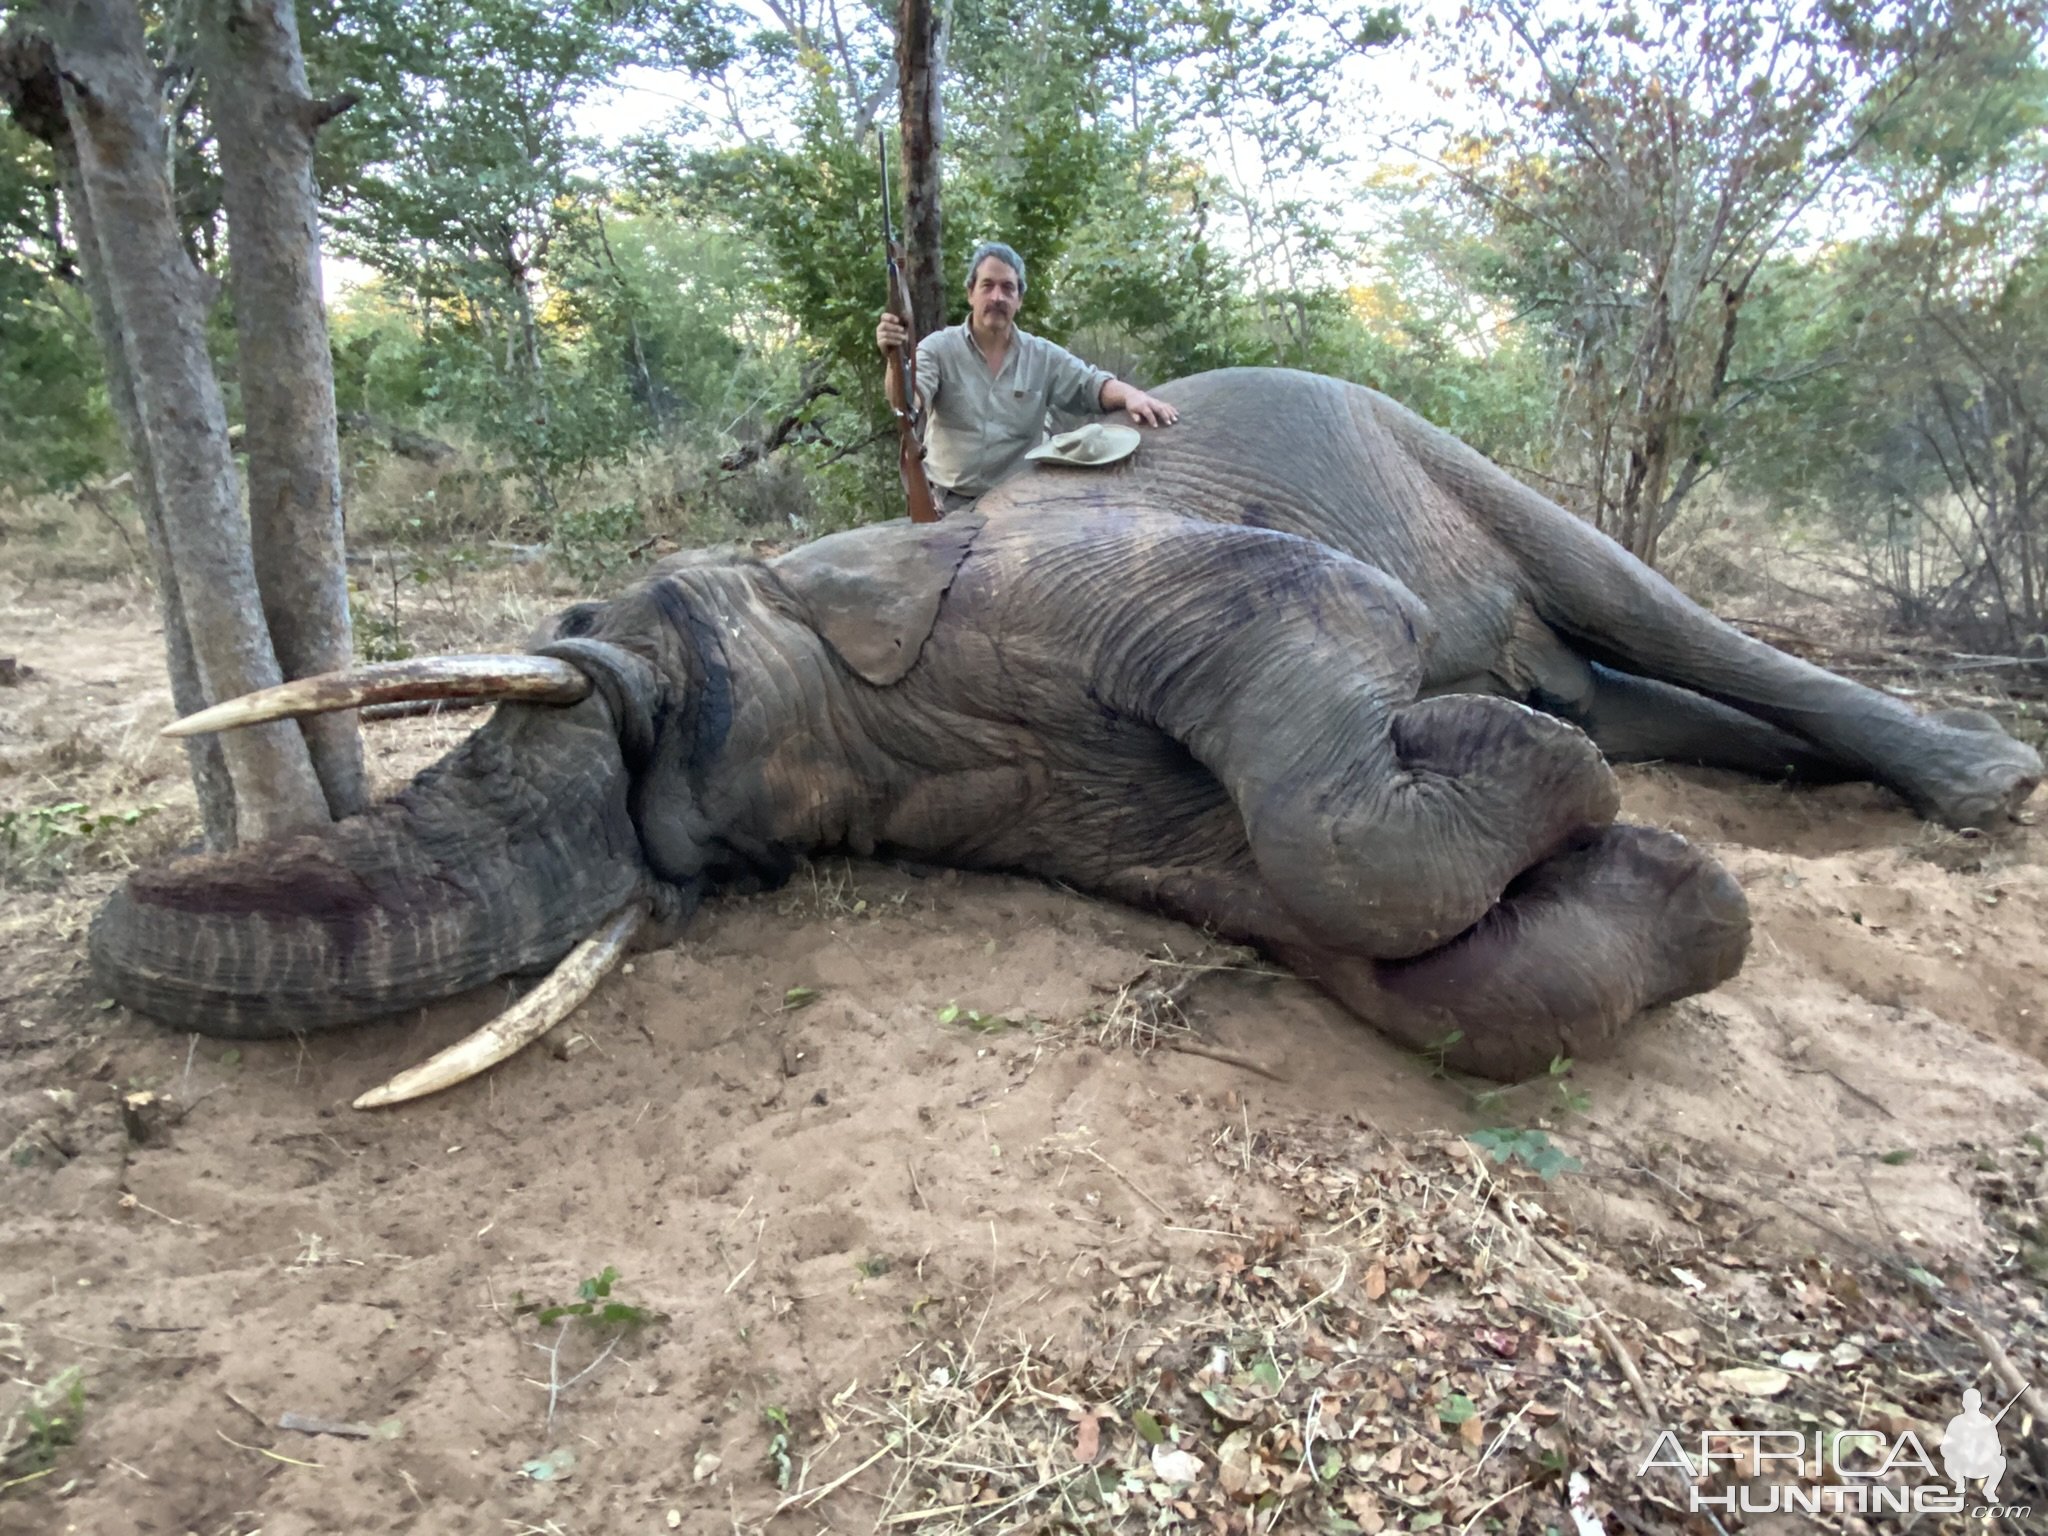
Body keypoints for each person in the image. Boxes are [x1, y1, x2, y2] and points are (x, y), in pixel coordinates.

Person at [877, 240, 1178, 513]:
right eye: (987, 286)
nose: (997, 297)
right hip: (946, 503)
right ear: (970, 293)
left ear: (1019, 299)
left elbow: (1091, 385)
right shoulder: (938, 348)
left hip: (1018, 504)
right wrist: (894, 356)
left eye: (1008, 288)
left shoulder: (1042, 356)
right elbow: (905, 401)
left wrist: (1132, 395)